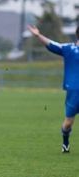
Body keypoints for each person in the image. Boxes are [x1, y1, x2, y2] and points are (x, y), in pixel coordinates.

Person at [27, 25, 79, 153]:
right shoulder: (70, 49)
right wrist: (38, 35)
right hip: (74, 91)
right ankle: (65, 142)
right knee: (68, 123)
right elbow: (53, 45)